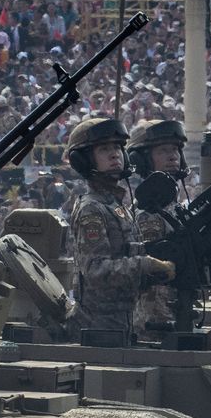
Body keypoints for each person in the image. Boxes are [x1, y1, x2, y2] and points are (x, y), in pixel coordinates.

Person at [63, 117, 176, 344]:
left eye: (117, 147)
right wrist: (147, 264)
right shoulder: (91, 210)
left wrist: (158, 251)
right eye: (104, 149)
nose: (114, 154)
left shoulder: (115, 206)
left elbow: (123, 250)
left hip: (122, 324)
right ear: (85, 160)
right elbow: (96, 270)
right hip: (99, 329)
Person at [126, 119, 191, 334]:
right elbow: (151, 277)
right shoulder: (148, 214)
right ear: (143, 160)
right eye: (163, 151)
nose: (173, 156)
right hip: (154, 321)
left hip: (176, 313)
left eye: (175, 150)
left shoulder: (175, 207)